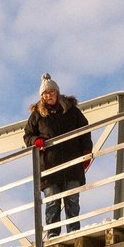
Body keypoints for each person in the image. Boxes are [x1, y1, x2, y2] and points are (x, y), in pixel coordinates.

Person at [24, 75, 92, 236]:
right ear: (41, 96)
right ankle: (52, 234)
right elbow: (27, 136)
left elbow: (84, 131)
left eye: (51, 92)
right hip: (49, 167)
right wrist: (36, 140)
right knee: (52, 202)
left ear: (57, 92)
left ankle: (73, 233)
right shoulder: (37, 115)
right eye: (45, 93)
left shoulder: (72, 111)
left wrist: (87, 153)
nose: (48, 95)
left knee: (72, 200)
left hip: (72, 164)